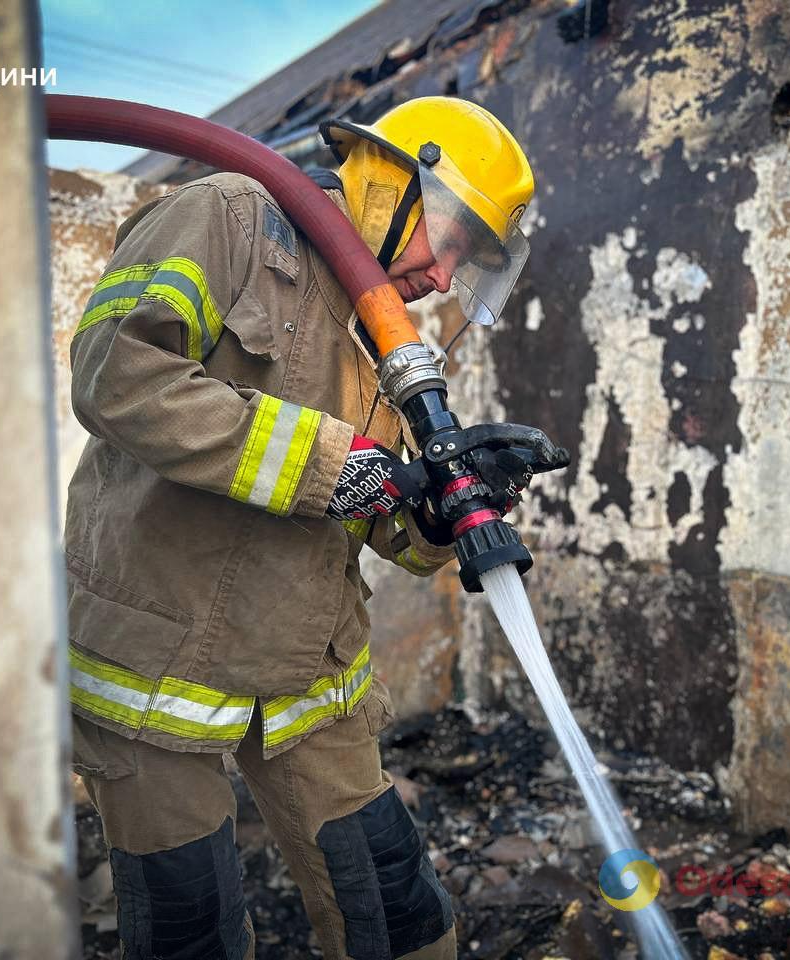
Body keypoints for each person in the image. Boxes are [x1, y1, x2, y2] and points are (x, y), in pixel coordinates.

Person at [65, 96, 536, 960]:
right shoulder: (229, 218)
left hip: (308, 679)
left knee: (401, 919)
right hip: (155, 669)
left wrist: (446, 503)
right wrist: (338, 468)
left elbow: (388, 523)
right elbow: (116, 373)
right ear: (394, 179)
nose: (444, 277)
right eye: (455, 238)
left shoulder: (383, 339)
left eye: (468, 261)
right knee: (190, 935)